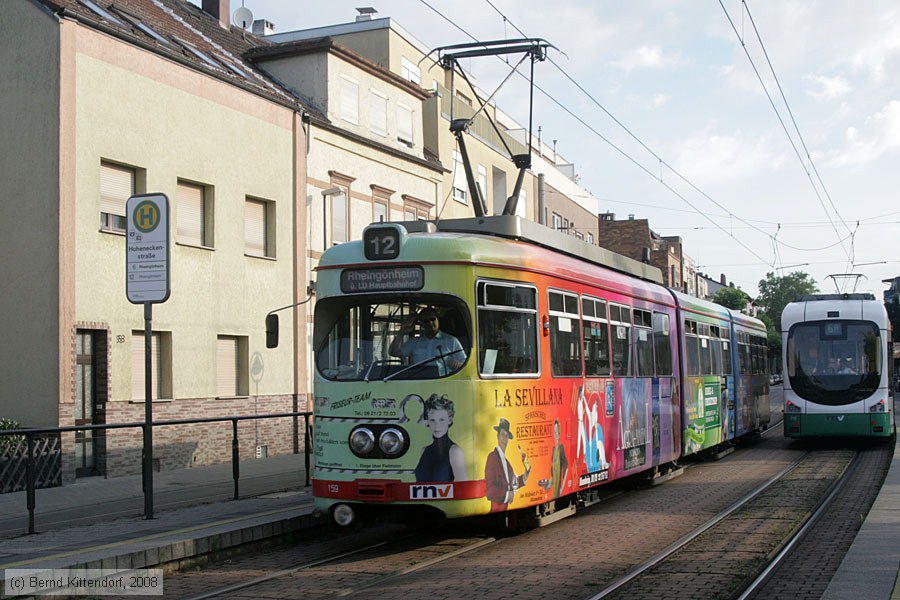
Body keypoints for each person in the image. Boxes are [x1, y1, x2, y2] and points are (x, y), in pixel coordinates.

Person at [389, 307, 465, 375]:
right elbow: (394, 352)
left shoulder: (451, 341)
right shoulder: (415, 342)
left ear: (438, 320)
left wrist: (456, 365)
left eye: (433, 319)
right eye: (426, 321)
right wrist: (401, 332)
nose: (430, 323)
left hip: (442, 385)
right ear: (421, 324)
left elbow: (465, 365)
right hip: (418, 386)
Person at [414, 394, 467, 482]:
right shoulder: (424, 450)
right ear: (428, 421)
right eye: (432, 420)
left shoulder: (455, 452)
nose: (437, 426)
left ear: (450, 420)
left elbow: (463, 488)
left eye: (441, 420)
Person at [483, 418, 531, 512]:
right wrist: (507, 495)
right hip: (496, 510)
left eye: (506, 435)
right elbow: (489, 491)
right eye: (502, 434)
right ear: (497, 436)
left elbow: (512, 483)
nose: (504, 438)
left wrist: (525, 476)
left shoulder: (507, 463)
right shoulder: (492, 457)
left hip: (504, 509)